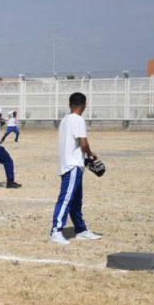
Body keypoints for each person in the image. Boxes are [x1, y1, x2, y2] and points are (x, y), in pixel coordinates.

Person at [50, 92, 101, 244]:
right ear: (84, 105)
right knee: (66, 199)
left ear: (69, 104)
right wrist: (90, 153)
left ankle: (80, 229)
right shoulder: (78, 119)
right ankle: (56, 231)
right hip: (72, 165)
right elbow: (83, 143)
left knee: (76, 200)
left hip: (70, 163)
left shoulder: (65, 120)